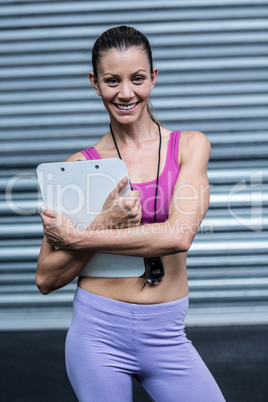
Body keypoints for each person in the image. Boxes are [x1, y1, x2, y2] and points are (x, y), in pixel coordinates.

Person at [36, 25, 226, 402]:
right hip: (97, 333)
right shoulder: (79, 167)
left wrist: (81, 236)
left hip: (167, 333)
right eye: (112, 80)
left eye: (137, 78)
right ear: (95, 82)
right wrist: (105, 221)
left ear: (153, 78)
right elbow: (45, 277)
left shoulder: (189, 146)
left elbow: (178, 235)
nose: (126, 93)